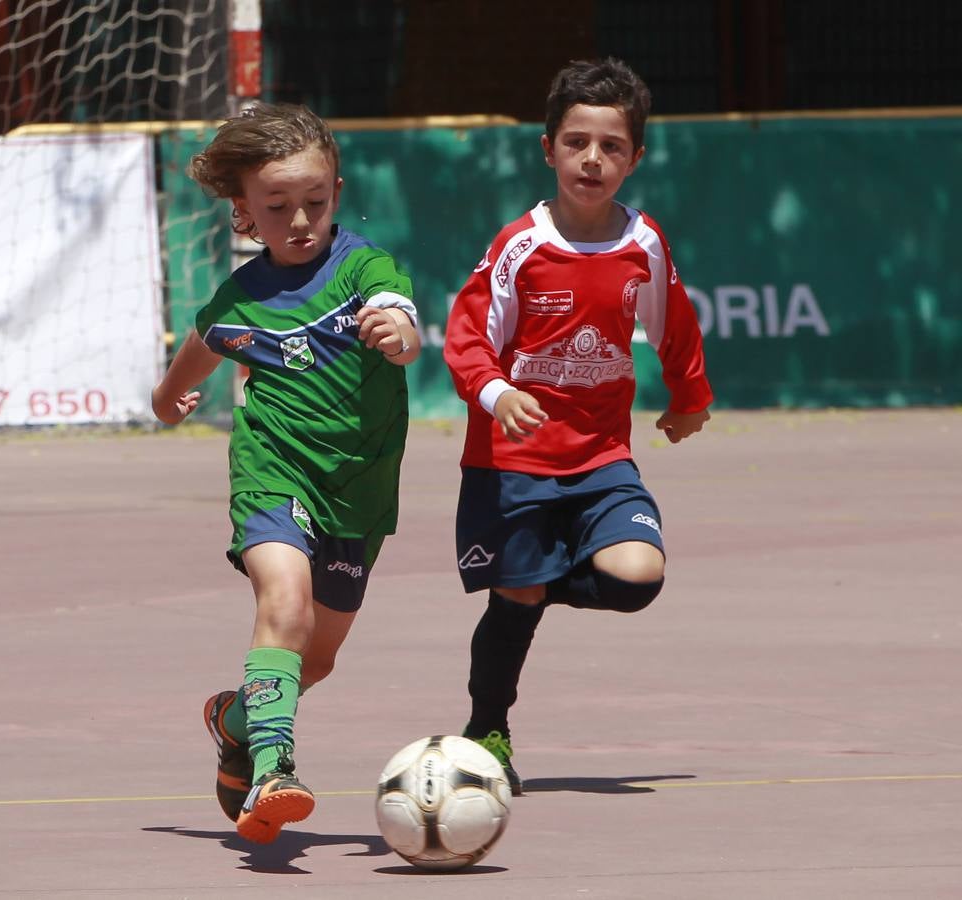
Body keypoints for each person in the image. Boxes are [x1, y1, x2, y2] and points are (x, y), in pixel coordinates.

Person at [151, 103, 421, 844]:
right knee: (285, 603)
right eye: (277, 206)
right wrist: (168, 394)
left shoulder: (363, 266)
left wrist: (398, 333)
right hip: (274, 469)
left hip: (357, 491)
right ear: (244, 213)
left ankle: (234, 718)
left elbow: (399, 314)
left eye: (314, 201)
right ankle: (273, 768)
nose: (299, 219)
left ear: (335, 189)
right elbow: (202, 344)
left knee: (317, 656)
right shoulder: (239, 301)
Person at [443, 57, 713, 793]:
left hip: (599, 458)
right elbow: (465, 340)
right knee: (516, 602)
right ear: (547, 149)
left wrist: (688, 396)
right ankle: (486, 729)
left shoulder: (642, 244)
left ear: (634, 157)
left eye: (611, 146)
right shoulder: (517, 246)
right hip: (511, 463)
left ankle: (533, 575)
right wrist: (497, 394)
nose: (592, 159)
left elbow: (675, 328)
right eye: (576, 142)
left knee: (636, 579)